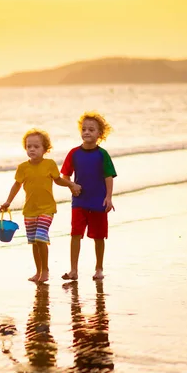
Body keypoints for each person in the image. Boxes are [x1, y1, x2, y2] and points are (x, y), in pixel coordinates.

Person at [0, 128, 81, 283]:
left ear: (45, 149)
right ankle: (38, 271)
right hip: (29, 210)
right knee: (34, 242)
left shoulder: (49, 164)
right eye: (29, 146)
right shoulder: (23, 167)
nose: (32, 149)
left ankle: (45, 271)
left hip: (47, 209)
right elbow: (16, 185)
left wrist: (71, 184)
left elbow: (58, 180)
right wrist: (8, 202)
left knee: (40, 238)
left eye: (36, 147)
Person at [60, 111, 116, 281]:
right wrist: (71, 186)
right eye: (84, 129)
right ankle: (73, 270)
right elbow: (65, 175)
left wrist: (108, 197)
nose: (86, 132)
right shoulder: (74, 153)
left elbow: (108, 176)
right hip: (79, 201)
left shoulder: (102, 154)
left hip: (98, 202)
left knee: (99, 237)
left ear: (100, 133)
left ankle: (99, 269)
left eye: (91, 129)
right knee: (75, 234)